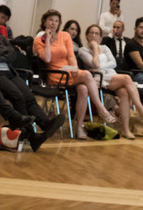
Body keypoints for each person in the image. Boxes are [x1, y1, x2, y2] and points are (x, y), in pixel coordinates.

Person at [0, 7, 64, 156]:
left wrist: (0, 52)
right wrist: (1, 51)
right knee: (17, 96)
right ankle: (31, 134)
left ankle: (45, 122)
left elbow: (12, 55)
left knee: (28, 96)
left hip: (9, 72)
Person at [33, 9, 115, 139]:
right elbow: (47, 59)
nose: (53, 23)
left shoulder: (65, 35)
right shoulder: (38, 40)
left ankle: (79, 129)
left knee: (83, 89)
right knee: (87, 75)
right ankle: (101, 109)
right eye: (50, 20)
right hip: (55, 74)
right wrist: (47, 40)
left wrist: (74, 67)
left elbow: (71, 56)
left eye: (56, 21)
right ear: (44, 22)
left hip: (68, 70)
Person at [78, 24, 143, 138]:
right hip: (97, 78)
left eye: (97, 33)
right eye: (91, 33)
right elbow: (94, 64)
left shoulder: (105, 48)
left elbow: (113, 63)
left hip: (111, 76)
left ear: (100, 37)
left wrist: (101, 66)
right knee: (126, 78)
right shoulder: (83, 50)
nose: (94, 35)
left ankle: (126, 129)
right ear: (87, 36)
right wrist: (94, 48)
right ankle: (141, 110)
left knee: (124, 92)